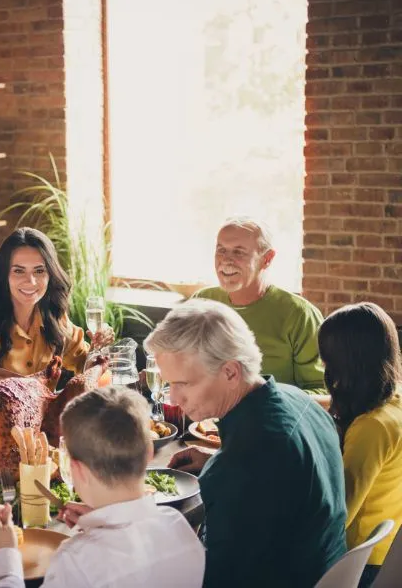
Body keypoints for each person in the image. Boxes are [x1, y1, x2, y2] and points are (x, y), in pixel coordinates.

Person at [147, 299, 347, 588]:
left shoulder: (245, 462)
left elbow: (218, 579)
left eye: (183, 384)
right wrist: (219, 458)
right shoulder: (299, 399)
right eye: (169, 385)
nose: (174, 399)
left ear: (230, 372)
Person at [0, 386, 204, 587]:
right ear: (149, 453)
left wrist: (3, 556)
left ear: (76, 470)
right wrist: (101, 518)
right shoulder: (180, 529)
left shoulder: (76, 562)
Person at [0, 227, 113, 415]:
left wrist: (97, 349)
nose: (31, 281)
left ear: (50, 274)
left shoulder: (55, 317)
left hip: (43, 438)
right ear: (5, 275)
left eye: (39, 271)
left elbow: (83, 365)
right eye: (19, 271)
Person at [318, 302, 402, 588]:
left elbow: (337, 516)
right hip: (387, 550)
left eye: (327, 359)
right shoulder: (393, 403)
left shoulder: (371, 428)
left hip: (359, 564)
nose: (324, 367)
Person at [192, 216, 326, 393]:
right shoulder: (201, 301)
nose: (226, 260)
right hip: (204, 419)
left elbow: (320, 391)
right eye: (221, 250)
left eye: (239, 252)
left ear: (267, 259)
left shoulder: (300, 315)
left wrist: (268, 403)